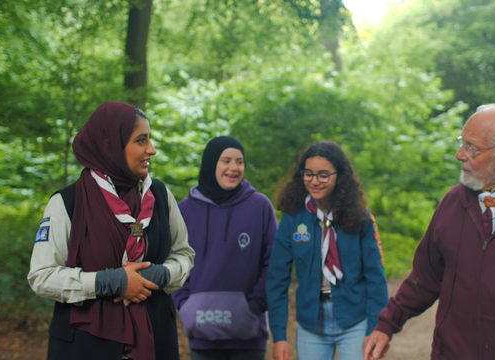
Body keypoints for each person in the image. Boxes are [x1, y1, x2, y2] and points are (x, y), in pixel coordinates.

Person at [364, 104, 495, 360]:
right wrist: (387, 324)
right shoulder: (453, 202)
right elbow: (425, 277)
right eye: (461, 142)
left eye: (472, 148)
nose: (459, 154)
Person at [27, 101, 195, 360]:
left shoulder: (160, 196)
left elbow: (184, 255)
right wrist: (108, 282)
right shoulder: (67, 203)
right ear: (110, 146)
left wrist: (161, 274)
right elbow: (42, 275)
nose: (152, 150)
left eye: (150, 139)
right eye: (141, 140)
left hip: (156, 337)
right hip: (84, 346)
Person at [267, 141, 389, 360]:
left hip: (355, 320)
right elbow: (277, 278)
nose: (314, 181)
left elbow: (376, 278)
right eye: (308, 174)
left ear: (338, 176)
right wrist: (279, 336)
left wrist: (375, 329)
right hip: (311, 323)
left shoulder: (361, 219)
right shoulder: (293, 219)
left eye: (323, 175)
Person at [172, 136, 278, 360]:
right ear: (211, 163)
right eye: (226, 160)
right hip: (201, 332)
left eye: (239, 162)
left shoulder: (259, 206)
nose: (234, 168)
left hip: (249, 336)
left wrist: (255, 306)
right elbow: (174, 259)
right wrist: (184, 303)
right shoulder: (185, 209)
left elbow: (274, 262)